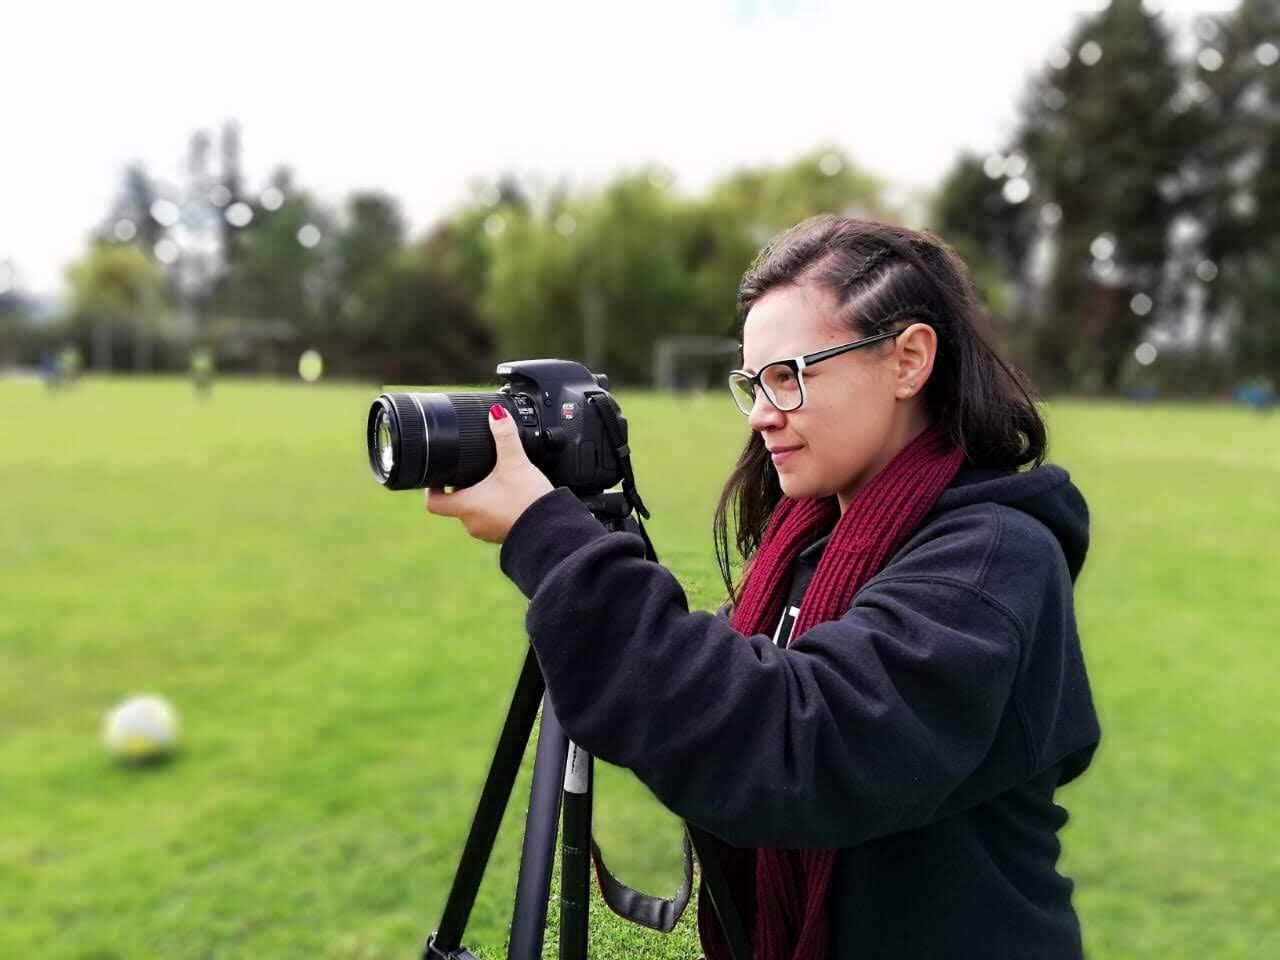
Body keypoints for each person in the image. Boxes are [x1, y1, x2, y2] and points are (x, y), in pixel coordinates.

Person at [425, 215, 1101, 960]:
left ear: (909, 360)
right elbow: (712, 699)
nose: (763, 416)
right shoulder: (811, 542)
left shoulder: (993, 561)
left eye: (791, 376)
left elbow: (790, 746)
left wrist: (549, 540)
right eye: (752, 382)